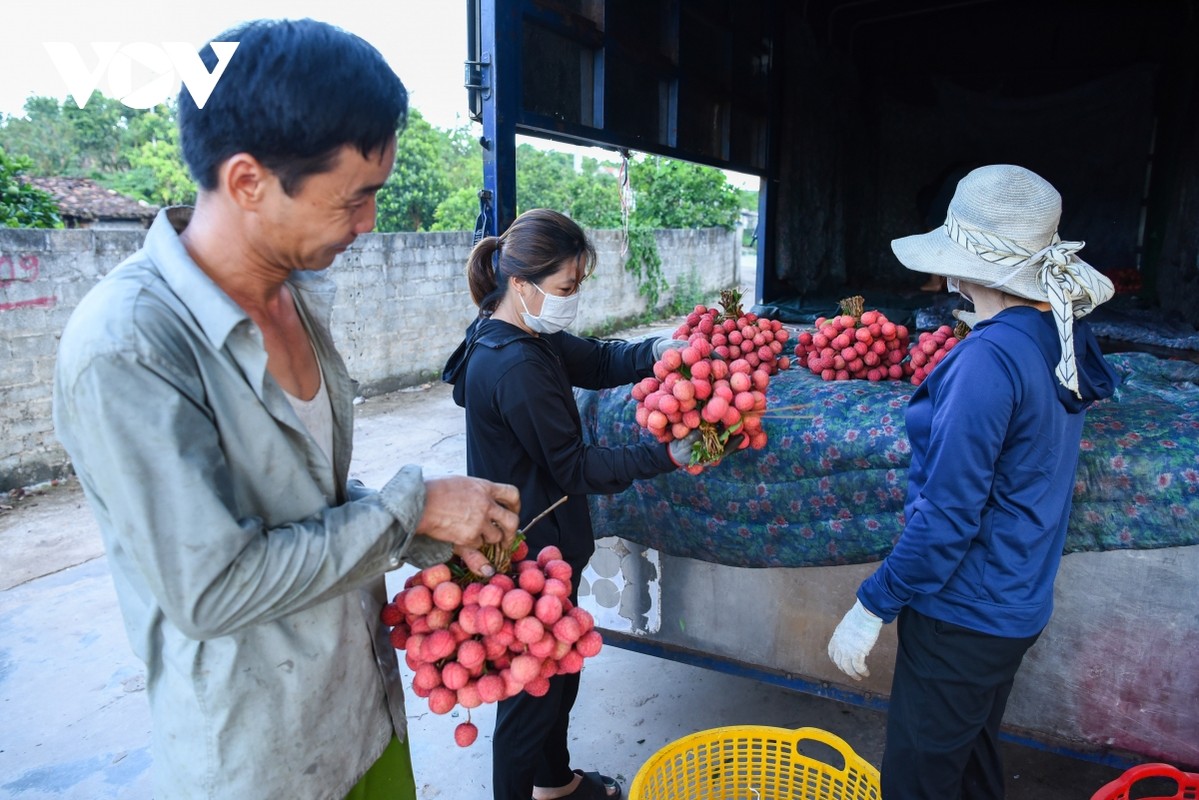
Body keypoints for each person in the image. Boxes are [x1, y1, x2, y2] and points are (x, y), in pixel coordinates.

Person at [51, 19, 520, 800]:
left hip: (362, 713)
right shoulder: (128, 346)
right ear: (246, 182)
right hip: (263, 757)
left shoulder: (294, 296)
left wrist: (425, 528)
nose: (369, 222)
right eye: (354, 198)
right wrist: (411, 509)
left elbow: (307, 505)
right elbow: (214, 589)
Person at [825, 164, 1120, 799]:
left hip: (964, 612)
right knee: (970, 759)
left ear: (967, 263)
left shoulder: (988, 360)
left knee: (919, 783)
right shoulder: (1052, 334)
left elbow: (948, 515)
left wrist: (875, 601)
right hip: (1016, 601)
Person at [442, 209, 725, 800]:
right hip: (527, 551)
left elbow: (594, 362)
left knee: (555, 677)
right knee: (529, 697)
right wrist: (664, 454)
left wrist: (659, 350)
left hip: (533, 539)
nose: (572, 299)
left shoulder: (512, 332)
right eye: (566, 288)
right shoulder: (516, 364)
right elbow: (576, 466)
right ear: (522, 284)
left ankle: (556, 783)